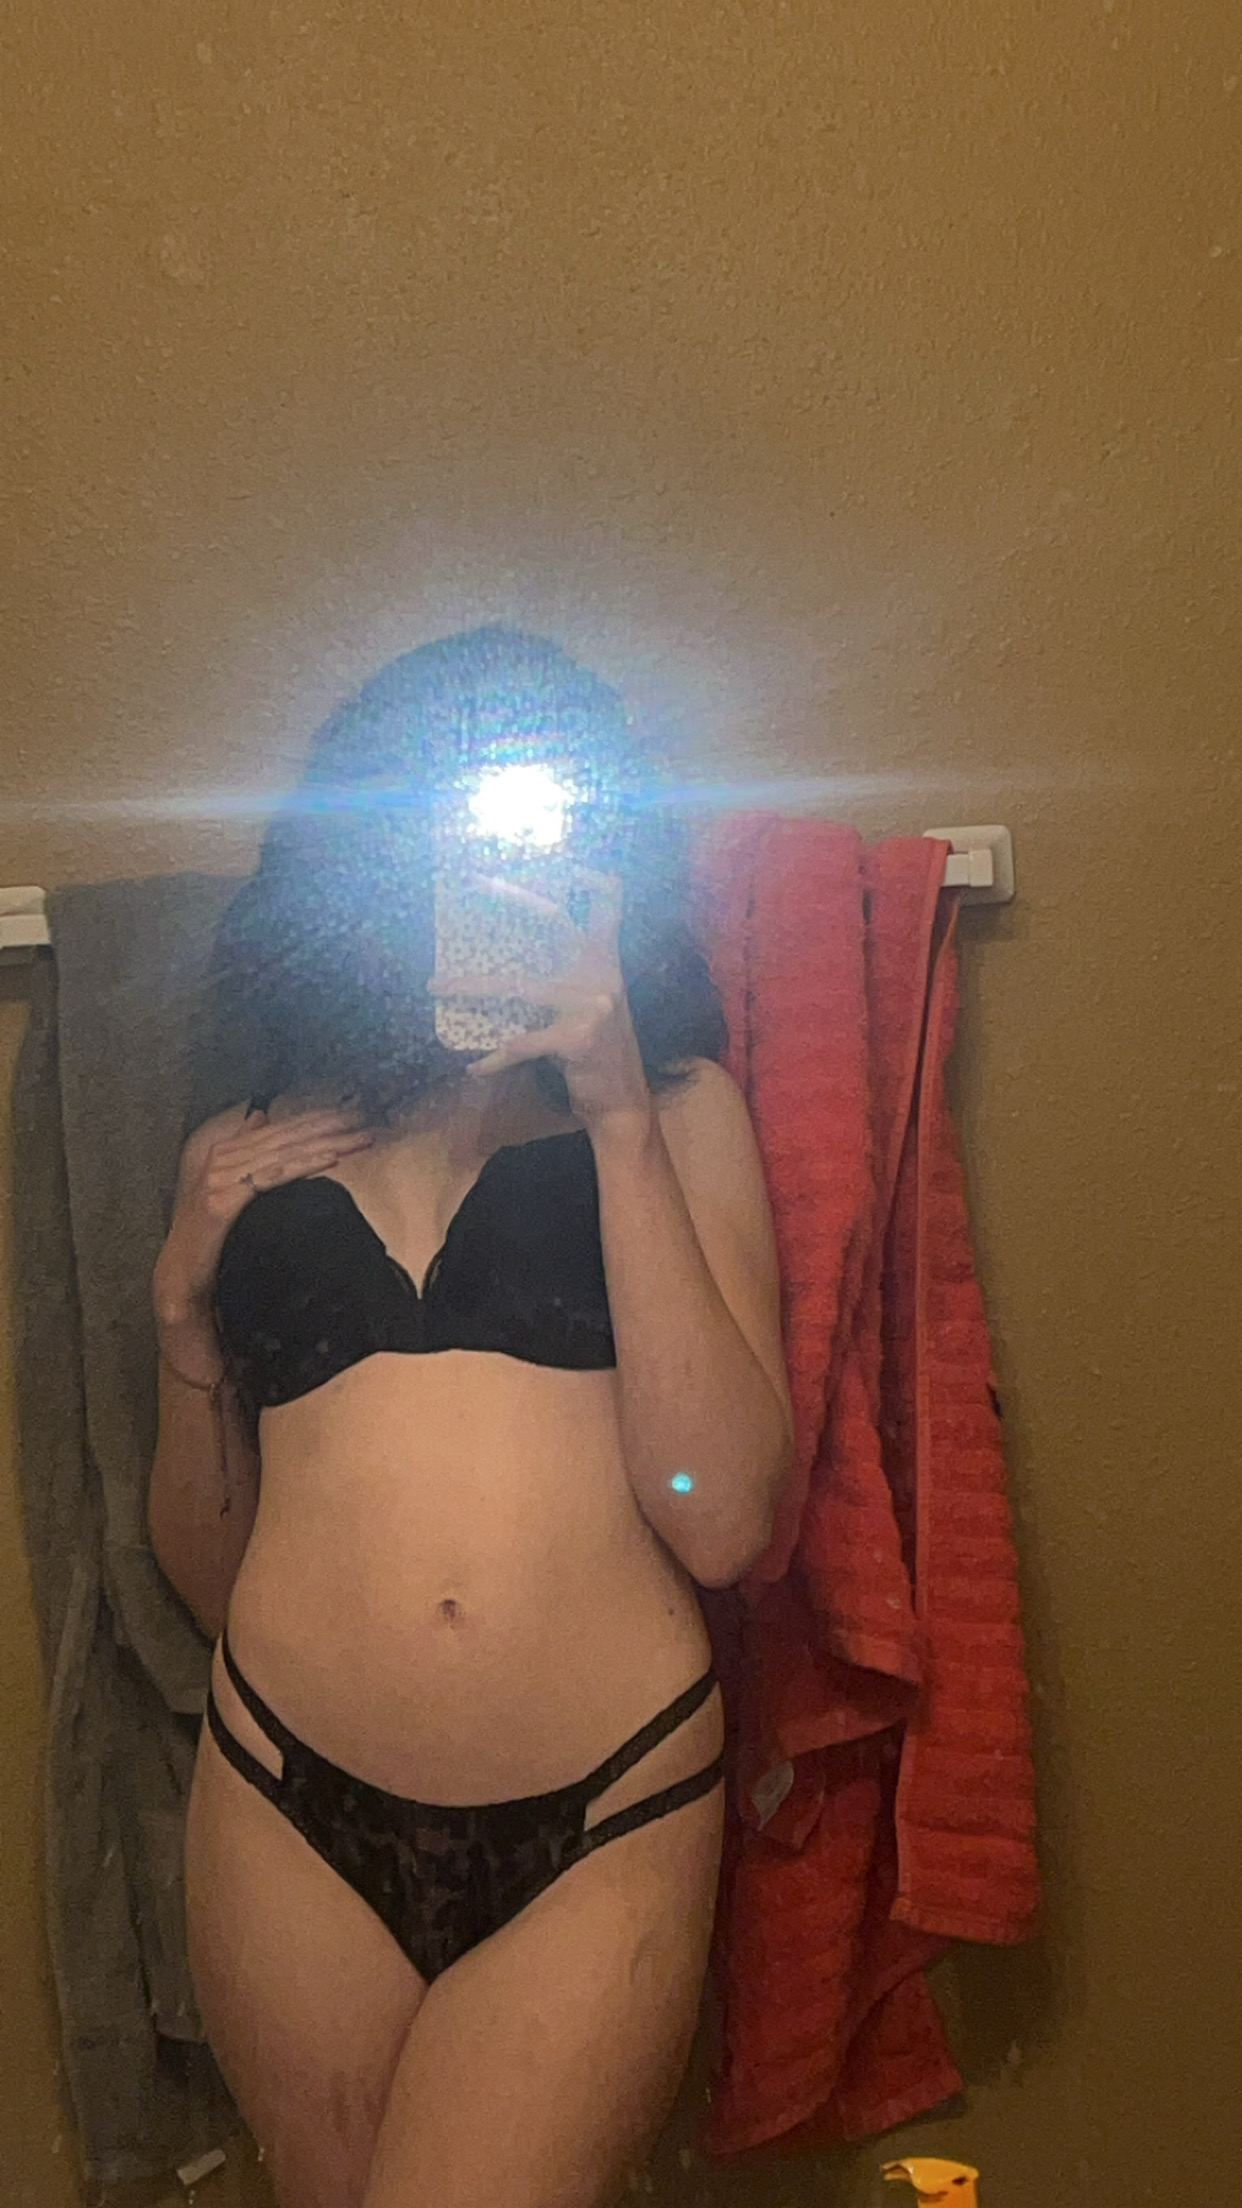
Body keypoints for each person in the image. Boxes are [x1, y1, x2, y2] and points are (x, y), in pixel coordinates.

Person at [147, 627, 792, 2208]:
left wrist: (616, 1112)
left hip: (604, 1806)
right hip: (282, 1792)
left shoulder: (679, 1110)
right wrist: (179, 1310)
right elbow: (211, 1579)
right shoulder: (246, 1146)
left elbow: (720, 1516)